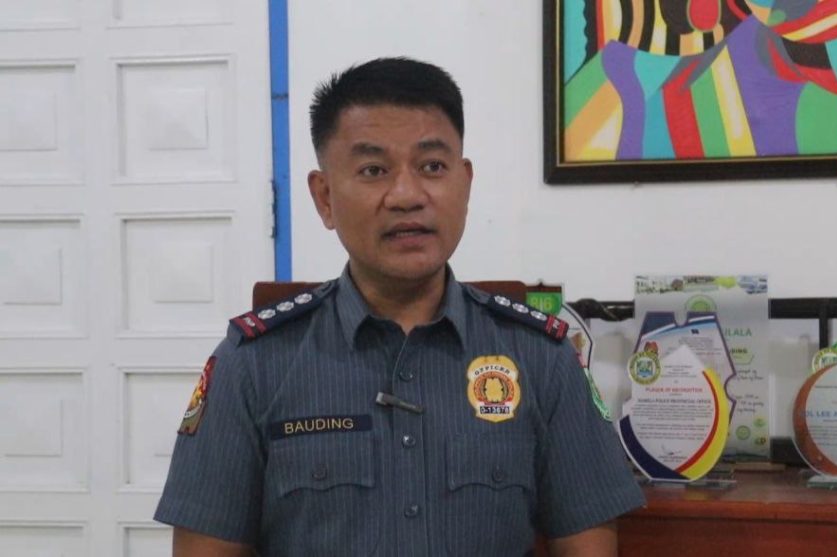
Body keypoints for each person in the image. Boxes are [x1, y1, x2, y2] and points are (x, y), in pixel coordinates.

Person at [154, 57, 645, 557]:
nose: (407, 195)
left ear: (465, 184)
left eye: (432, 167)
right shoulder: (254, 364)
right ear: (324, 197)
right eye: (374, 170)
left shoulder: (541, 357)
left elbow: (587, 544)